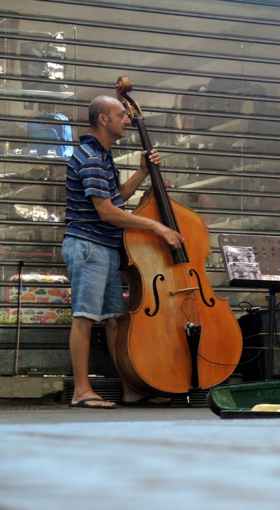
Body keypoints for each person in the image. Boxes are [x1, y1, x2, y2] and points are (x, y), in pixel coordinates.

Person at [63, 95, 184, 409]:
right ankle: (81, 390)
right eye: (121, 114)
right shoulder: (90, 157)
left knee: (116, 320)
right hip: (88, 245)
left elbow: (116, 197)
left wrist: (144, 172)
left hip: (104, 247)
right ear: (104, 119)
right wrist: (158, 227)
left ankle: (130, 387)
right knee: (85, 318)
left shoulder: (103, 155)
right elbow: (107, 212)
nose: (128, 120)